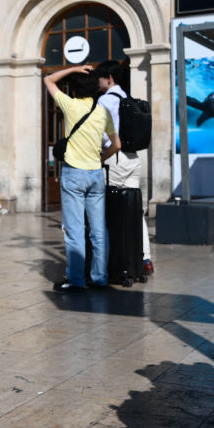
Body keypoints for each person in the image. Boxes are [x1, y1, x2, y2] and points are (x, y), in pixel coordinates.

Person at [44, 64, 120, 292]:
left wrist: (74, 68)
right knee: (99, 231)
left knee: (75, 230)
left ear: (75, 89)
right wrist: (100, 158)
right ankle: (100, 278)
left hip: (74, 173)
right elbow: (116, 145)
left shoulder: (71, 105)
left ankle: (76, 280)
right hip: (95, 174)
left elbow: (49, 80)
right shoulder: (102, 112)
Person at [95, 61, 154, 275]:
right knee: (135, 209)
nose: (97, 81)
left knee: (112, 210)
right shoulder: (127, 98)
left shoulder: (105, 100)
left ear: (109, 78)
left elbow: (101, 134)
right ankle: (145, 259)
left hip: (114, 158)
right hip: (133, 158)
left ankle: (116, 259)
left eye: (100, 77)